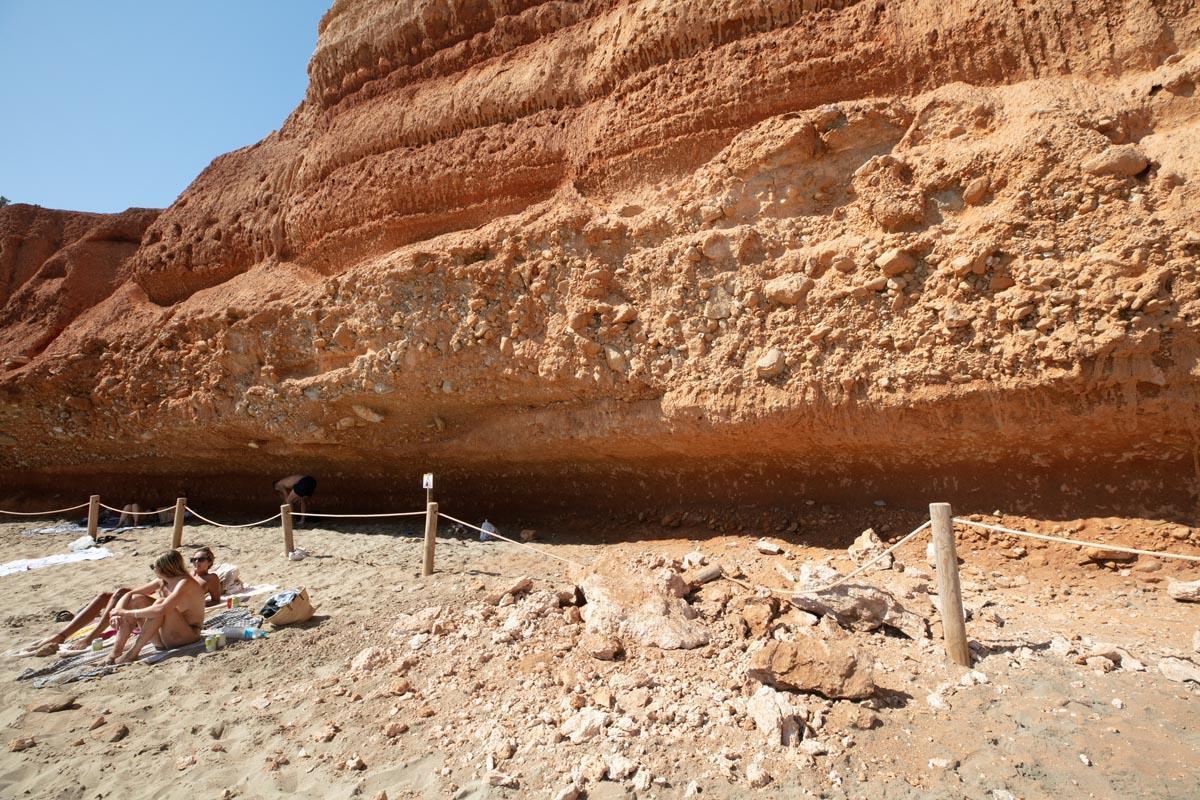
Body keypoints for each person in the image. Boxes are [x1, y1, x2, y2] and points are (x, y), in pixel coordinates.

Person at [29, 545, 222, 655]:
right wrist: (117, 612)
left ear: (210, 562)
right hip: (163, 613)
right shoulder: (169, 579)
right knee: (119, 594)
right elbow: (136, 595)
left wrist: (128, 612)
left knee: (154, 604)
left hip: (174, 620)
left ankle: (91, 638)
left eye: (201, 559)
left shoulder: (205, 579)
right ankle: (65, 635)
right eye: (193, 559)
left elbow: (215, 599)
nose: (197, 562)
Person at [106, 550, 205, 665]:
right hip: (163, 639)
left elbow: (162, 609)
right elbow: (130, 594)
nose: (153, 570)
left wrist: (126, 612)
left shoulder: (185, 582)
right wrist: (117, 613)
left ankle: (132, 653)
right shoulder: (162, 581)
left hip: (187, 636)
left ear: (164, 568)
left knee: (160, 603)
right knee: (137, 599)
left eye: (154, 567)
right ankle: (115, 652)